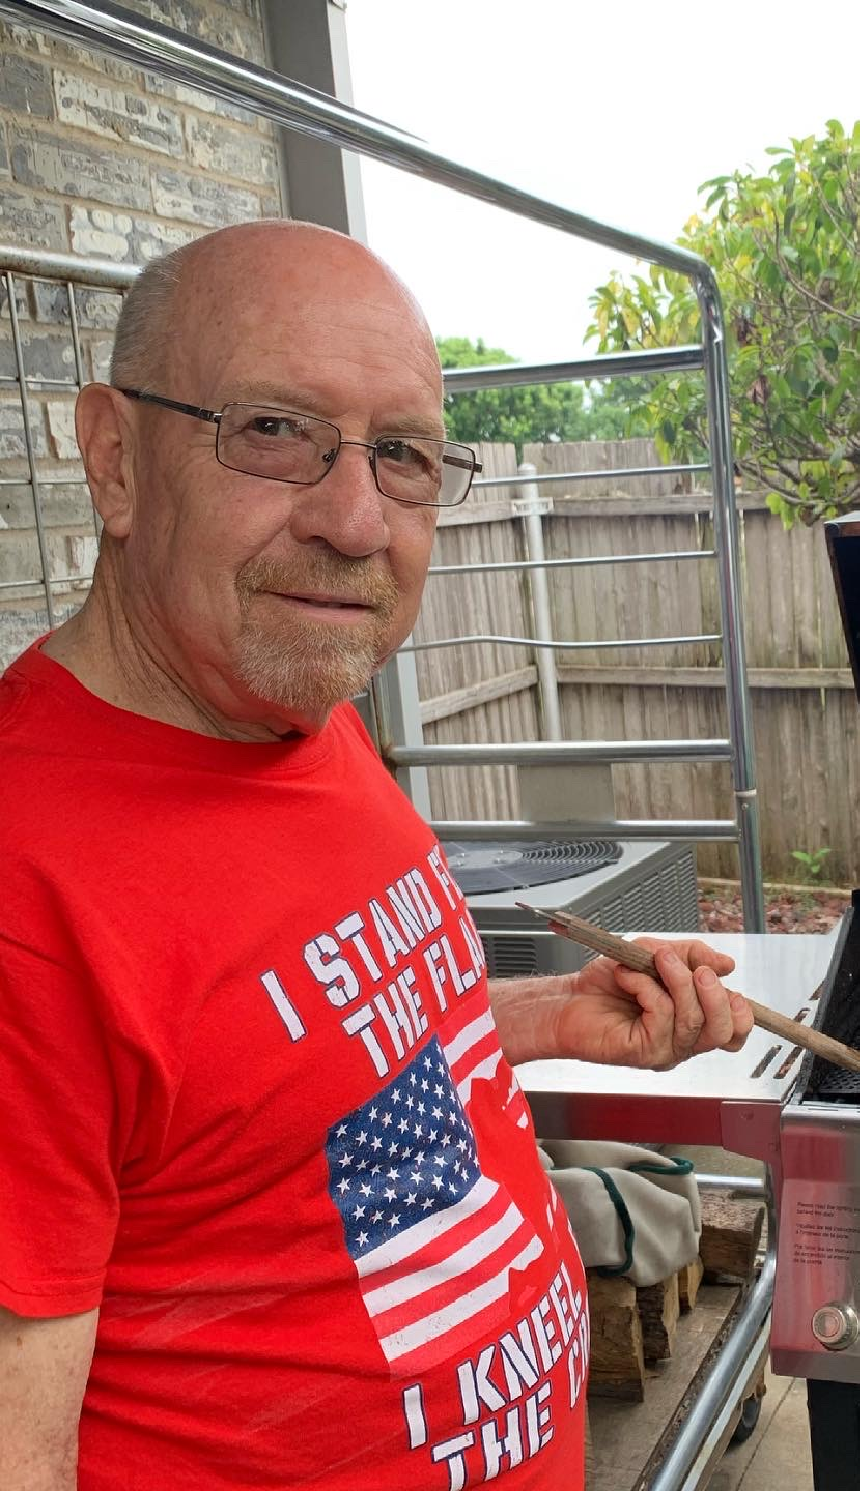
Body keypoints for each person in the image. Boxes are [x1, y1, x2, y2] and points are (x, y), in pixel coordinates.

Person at [0, 220, 753, 1491]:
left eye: (399, 454)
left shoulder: (291, 706)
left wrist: (542, 1017)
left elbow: (278, 1064)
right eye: (275, 430)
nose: (356, 522)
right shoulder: (28, 891)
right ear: (116, 461)